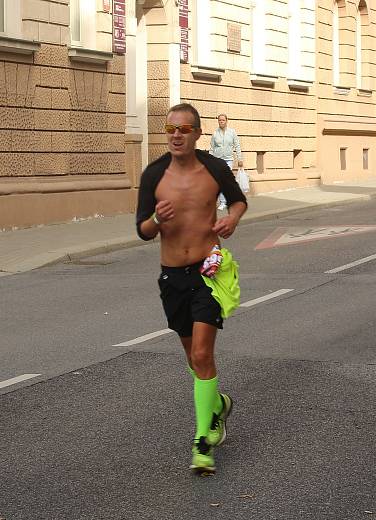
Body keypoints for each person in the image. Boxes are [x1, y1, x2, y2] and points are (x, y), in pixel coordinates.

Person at [136, 103, 247, 473]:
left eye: (184, 129)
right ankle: (217, 405)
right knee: (192, 357)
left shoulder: (213, 167)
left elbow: (238, 200)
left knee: (202, 353)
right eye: (170, 129)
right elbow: (142, 230)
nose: (176, 135)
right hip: (172, 277)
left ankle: (203, 441)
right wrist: (155, 219)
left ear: (198, 134)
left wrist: (231, 218)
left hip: (206, 272)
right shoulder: (154, 174)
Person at [209, 114, 243, 210]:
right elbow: (212, 148)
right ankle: (223, 202)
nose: (221, 122)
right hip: (218, 159)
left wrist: (240, 159)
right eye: (220, 120)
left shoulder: (232, 132)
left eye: (223, 120)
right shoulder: (215, 133)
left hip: (228, 159)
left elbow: (237, 146)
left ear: (227, 121)